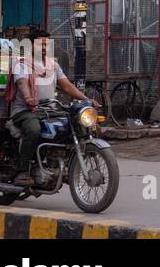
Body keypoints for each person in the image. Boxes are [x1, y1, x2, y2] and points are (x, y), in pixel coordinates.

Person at [9, 33, 97, 185]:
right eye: (39, 45)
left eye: (46, 45)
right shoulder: (22, 64)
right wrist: (29, 98)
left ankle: (61, 163)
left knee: (73, 125)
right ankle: (21, 170)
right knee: (34, 129)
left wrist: (86, 100)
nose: (43, 48)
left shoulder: (53, 65)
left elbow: (67, 86)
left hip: (49, 110)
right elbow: (22, 83)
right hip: (25, 110)